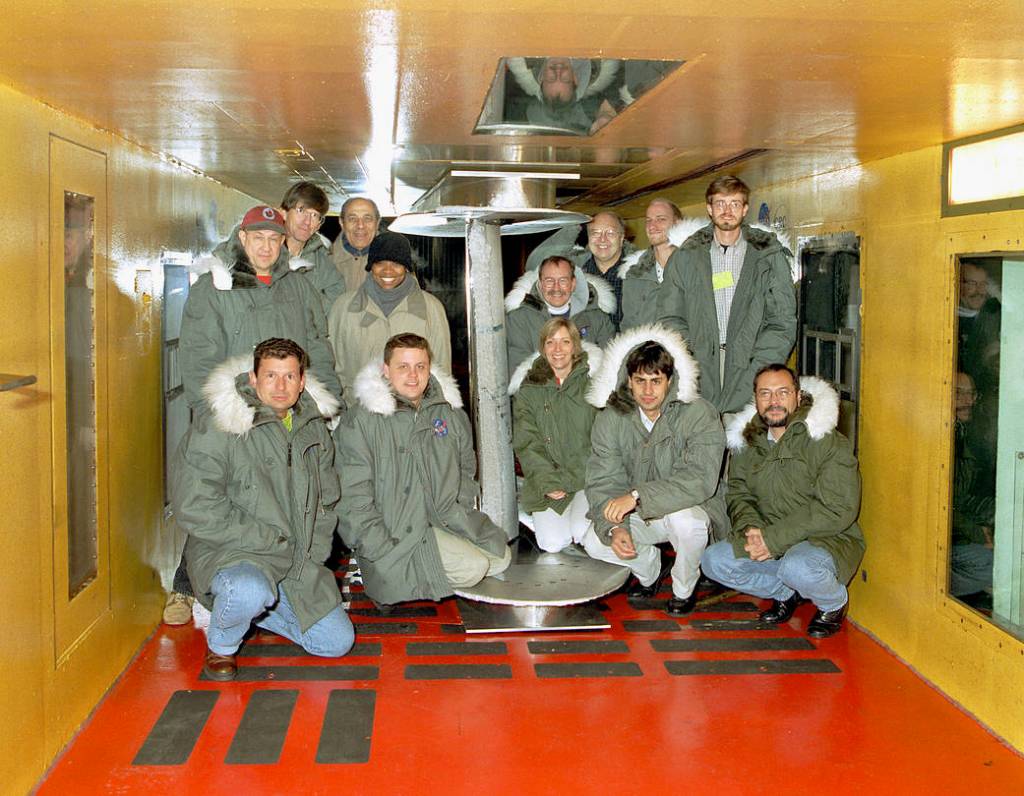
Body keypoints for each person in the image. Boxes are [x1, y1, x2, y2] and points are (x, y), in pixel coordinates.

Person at [171, 338, 354, 681]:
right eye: (270, 376)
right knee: (248, 589)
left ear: (302, 381)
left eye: (289, 377)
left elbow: (327, 498)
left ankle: (253, 609)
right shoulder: (222, 424)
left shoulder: (313, 428)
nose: (280, 386)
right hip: (237, 553)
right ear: (253, 379)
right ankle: (222, 643)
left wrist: (315, 551)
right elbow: (194, 504)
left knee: (336, 642)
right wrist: (266, 539)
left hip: (296, 559)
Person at [337, 333, 511, 606]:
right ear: (385, 370)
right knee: (474, 568)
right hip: (397, 531)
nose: (413, 376)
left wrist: (460, 507)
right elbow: (351, 498)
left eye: (420, 366)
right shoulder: (361, 421)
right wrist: (378, 546)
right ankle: (372, 568)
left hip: (442, 518)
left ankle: (443, 556)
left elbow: (466, 467)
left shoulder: (448, 413)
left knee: (501, 558)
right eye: (402, 367)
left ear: (430, 368)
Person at [701, 365, 865, 638]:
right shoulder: (748, 442)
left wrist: (773, 539)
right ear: (756, 399)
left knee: (797, 567)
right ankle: (784, 593)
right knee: (713, 561)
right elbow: (740, 494)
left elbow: (837, 509)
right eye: (765, 394)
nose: (774, 401)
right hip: (768, 533)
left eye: (782, 393)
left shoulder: (826, 441)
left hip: (825, 539)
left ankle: (833, 604)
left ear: (798, 397)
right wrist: (752, 530)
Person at [584, 326, 728, 615]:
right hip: (639, 511)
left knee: (686, 523)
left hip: (692, 508)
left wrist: (636, 496)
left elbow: (699, 481)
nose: (648, 391)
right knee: (594, 541)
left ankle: (684, 589)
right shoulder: (611, 417)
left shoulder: (699, 413)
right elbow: (603, 479)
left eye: (656, 381)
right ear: (629, 381)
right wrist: (616, 527)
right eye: (640, 381)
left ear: (670, 381)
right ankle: (651, 569)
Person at [180, 204, 342, 413]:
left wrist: (329, 402)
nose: (266, 247)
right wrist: (210, 416)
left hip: (293, 409)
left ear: (282, 241)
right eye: (258, 237)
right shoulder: (212, 288)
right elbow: (198, 360)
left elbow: (317, 347)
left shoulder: (299, 286)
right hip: (238, 414)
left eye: (273, 239)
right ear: (243, 237)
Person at [657, 175, 797, 415]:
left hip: (750, 369)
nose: (727, 211)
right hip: (699, 370)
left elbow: (782, 322)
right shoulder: (685, 258)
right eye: (720, 203)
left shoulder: (769, 258)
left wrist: (759, 369)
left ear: (745, 209)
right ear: (709, 208)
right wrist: (690, 358)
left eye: (734, 204)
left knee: (743, 443)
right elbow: (670, 316)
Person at [510, 318, 602, 552]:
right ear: (543, 348)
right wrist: (548, 482)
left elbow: (603, 441)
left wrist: (575, 477)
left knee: (582, 530)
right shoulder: (529, 390)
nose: (558, 350)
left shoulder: (593, 384)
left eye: (565, 342)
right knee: (551, 543)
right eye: (551, 342)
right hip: (548, 479)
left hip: (586, 478)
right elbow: (526, 443)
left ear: (575, 346)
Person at [328, 230, 451, 395]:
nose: (388, 270)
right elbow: (332, 369)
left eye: (396, 263)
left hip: (414, 414)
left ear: (406, 267)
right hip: (358, 415)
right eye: (380, 263)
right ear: (371, 266)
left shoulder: (431, 309)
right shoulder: (343, 308)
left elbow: (441, 373)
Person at [505, 254, 615, 373]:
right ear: (540, 284)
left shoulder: (597, 318)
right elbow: (519, 369)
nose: (556, 288)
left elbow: (610, 366)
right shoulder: (519, 320)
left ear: (573, 284)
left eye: (563, 281)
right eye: (549, 281)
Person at [618, 198, 701, 331]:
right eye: (648, 220)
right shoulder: (634, 275)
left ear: (678, 223)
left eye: (661, 219)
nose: (652, 226)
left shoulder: (699, 266)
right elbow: (629, 326)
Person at [950, 371, 994, 608]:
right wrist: (979, 533)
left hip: (960, 523)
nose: (968, 400)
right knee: (992, 564)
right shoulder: (944, 435)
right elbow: (944, 506)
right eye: (959, 393)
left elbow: (961, 497)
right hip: (947, 535)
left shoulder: (965, 432)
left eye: (971, 394)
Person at [280, 181, 346, 313]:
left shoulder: (323, 262)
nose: (307, 221)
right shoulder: (260, 250)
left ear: (319, 225)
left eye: (315, 215)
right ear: (284, 213)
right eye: (301, 210)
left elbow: (337, 302)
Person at [580, 211, 631, 330]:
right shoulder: (573, 277)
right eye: (595, 233)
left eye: (610, 233)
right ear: (588, 237)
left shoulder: (641, 275)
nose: (602, 239)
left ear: (622, 238)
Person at [331, 197, 381, 295]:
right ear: (342, 223)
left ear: (377, 223)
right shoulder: (322, 262)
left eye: (367, 219)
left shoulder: (397, 263)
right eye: (352, 219)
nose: (360, 225)